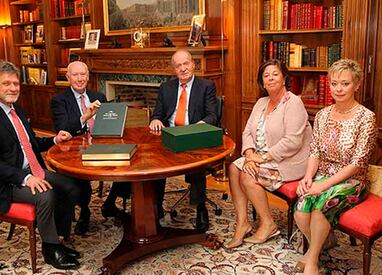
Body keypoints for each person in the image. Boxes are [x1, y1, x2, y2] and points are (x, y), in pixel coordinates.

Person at [0, 60, 81, 269]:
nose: (13, 88)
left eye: (16, 83)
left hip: (31, 169)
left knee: (70, 186)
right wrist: (26, 178)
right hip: (4, 182)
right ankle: (50, 249)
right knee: (45, 194)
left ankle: (58, 238)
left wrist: (55, 140)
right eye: (6, 84)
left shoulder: (18, 111)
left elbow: (30, 143)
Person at [294, 59, 377, 274]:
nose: (338, 89)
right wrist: (308, 178)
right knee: (301, 207)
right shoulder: (322, 115)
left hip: (353, 180)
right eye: (334, 83)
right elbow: (315, 151)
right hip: (322, 174)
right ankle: (324, 240)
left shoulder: (366, 118)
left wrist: (323, 186)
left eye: (345, 84)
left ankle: (312, 259)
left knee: (322, 204)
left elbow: (357, 164)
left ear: (356, 85)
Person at [224, 59, 312, 248]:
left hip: (290, 161)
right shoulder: (261, 102)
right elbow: (247, 132)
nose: (270, 78)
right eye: (266, 75)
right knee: (233, 168)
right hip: (261, 157)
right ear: (261, 82)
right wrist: (249, 154)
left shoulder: (293, 102)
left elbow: (292, 142)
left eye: (275, 74)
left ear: (284, 78)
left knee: (248, 176)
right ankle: (243, 224)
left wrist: (261, 158)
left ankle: (268, 224)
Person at [51, 61, 129, 233]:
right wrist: (85, 116)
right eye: (76, 75)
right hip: (75, 150)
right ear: (68, 77)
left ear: (88, 76)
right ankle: (84, 212)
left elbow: (111, 121)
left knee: (128, 164)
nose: (80, 79)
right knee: (79, 173)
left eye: (83, 75)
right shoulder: (59, 100)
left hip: (102, 145)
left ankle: (110, 203)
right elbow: (62, 129)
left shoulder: (98, 96)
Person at [149, 49, 218, 232]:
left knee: (197, 163)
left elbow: (213, 115)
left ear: (193, 64)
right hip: (170, 136)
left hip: (192, 136)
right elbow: (158, 113)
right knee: (156, 164)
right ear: (174, 69)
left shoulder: (206, 86)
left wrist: (198, 127)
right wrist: (156, 119)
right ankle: (156, 207)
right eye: (178, 66)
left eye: (185, 64)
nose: (183, 69)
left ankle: (200, 208)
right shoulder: (166, 87)